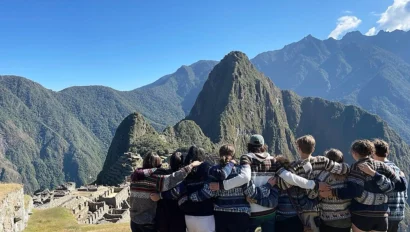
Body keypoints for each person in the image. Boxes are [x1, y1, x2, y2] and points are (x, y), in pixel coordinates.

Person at [210, 135, 330, 232]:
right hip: (270, 211)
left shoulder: (246, 158)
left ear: (249, 145)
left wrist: (222, 186)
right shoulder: (272, 160)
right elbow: (290, 177)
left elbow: (245, 177)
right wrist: (314, 184)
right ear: (263, 146)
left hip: (253, 211)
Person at [328, 139, 407, 232]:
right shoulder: (383, 166)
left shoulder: (357, 167)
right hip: (382, 215)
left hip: (362, 214)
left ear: (354, 153)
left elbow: (355, 191)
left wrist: (333, 192)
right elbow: (401, 186)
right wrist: (402, 176)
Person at [276, 135, 350, 232]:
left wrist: (280, 170)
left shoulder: (294, 167)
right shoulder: (323, 160)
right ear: (313, 148)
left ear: (298, 149)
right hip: (321, 210)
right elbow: (343, 169)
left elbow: (282, 184)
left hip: (305, 209)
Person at [129, 151, 202, 232]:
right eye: (159, 166)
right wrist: (191, 165)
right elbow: (173, 178)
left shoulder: (135, 177)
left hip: (134, 221)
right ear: (155, 166)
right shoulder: (154, 178)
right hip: (147, 221)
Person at [185, 144, 251, 232]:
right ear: (234, 155)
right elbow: (249, 190)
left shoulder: (214, 170)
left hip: (221, 214)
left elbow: (208, 192)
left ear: (220, 155)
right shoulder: (241, 171)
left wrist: (191, 197)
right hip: (241, 214)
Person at [159, 145, 215, 232]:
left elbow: (177, 191)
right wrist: (192, 198)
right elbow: (210, 190)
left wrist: (160, 195)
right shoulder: (208, 168)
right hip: (205, 215)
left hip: (189, 216)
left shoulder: (187, 171)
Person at [367, 139, 408, 232]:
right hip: (398, 214)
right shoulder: (397, 169)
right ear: (387, 152)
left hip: (384, 215)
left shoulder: (378, 170)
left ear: (373, 152)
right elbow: (404, 193)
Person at [154, 152, 187, 232]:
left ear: (170, 162)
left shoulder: (162, 176)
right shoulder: (183, 178)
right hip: (178, 216)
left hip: (163, 215)